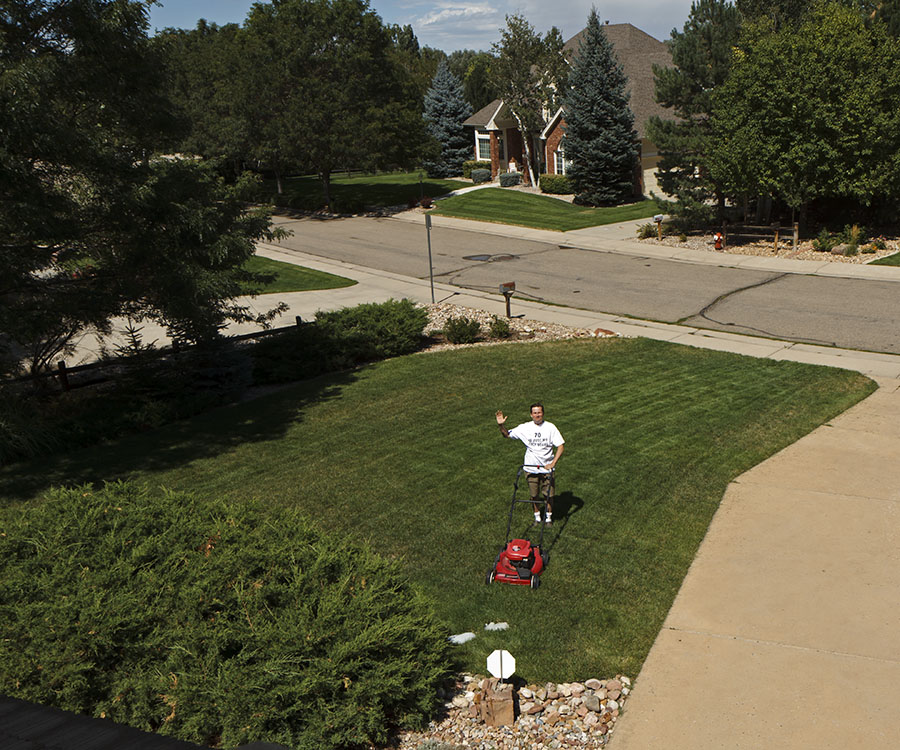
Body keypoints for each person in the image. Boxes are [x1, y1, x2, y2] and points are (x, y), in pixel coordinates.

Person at [495, 403, 565, 525]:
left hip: (546, 469)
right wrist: (501, 425)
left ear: (543, 413)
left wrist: (553, 463)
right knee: (534, 495)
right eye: (535, 413)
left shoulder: (550, 427)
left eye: (539, 412)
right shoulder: (525, 428)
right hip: (530, 468)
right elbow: (507, 434)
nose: (537, 415)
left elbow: (560, 446)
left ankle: (548, 518)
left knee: (549, 495)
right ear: (531, 414)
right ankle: (537, 517)